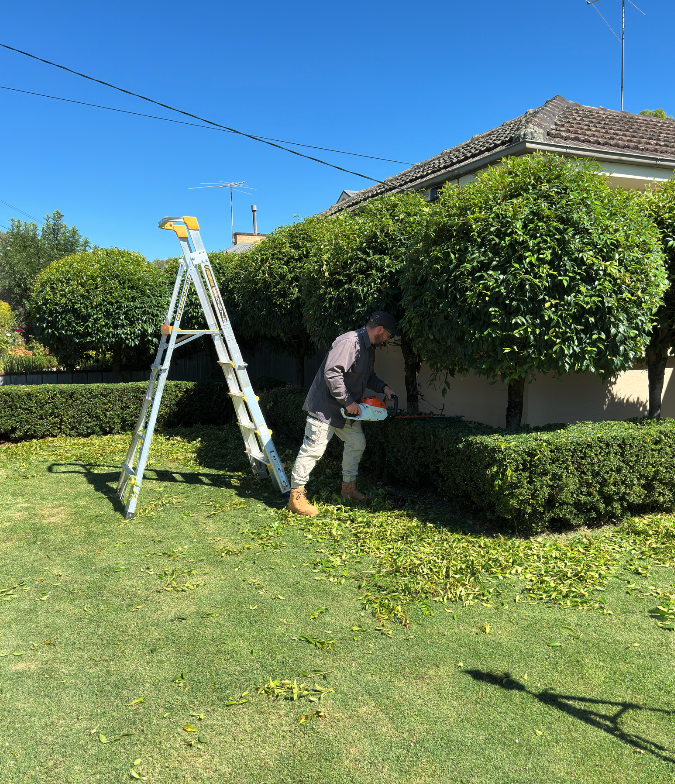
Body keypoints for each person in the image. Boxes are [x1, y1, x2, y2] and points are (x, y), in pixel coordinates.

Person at [286, 311, 399, 516]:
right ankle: (296, 496)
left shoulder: (368, 348)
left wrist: (384, 388)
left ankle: (348, 489)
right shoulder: (350, 342)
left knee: (357, 443)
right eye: (389, 335)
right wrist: (348, 402)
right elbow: (332, 372)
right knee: (313, 449)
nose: (388, 339)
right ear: (380, 330)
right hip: (326, 407)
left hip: (346, 411)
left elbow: (368, 376)